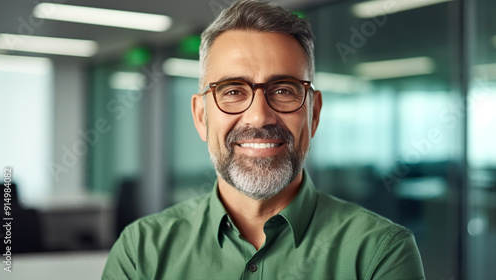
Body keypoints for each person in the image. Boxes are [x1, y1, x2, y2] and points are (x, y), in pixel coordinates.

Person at [102, 0, 425, 279]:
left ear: (313, 115)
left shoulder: (380, 252)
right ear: (201, 116)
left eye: (283, 90)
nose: (259, 117)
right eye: (232, 91)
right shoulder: (140, 252)